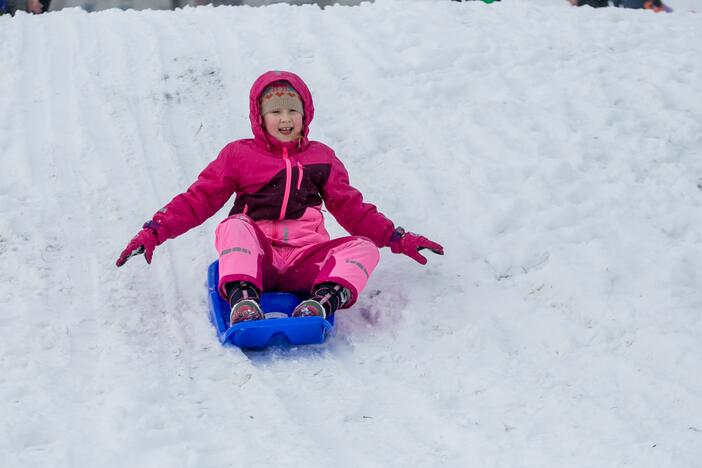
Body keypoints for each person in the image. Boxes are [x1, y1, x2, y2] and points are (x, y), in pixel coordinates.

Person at [116, 70, 444, 325]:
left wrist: (397, 238)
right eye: (275, 111)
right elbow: (198, 198)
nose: (285, 119)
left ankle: (322, 302)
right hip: (258, 259)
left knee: (363, 247)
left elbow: (354, 211)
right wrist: (155, 230)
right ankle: (244, 300)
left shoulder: (322, 157)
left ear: (306, 115)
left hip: (306, 260)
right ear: (260, 117)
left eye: (292, 110)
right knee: (234, 225)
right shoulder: (239, 155)